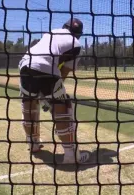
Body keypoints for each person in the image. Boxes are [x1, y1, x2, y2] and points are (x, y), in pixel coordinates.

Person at [18, 18, 90, 164]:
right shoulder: (76, 44)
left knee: (29, 105)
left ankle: (33, 144)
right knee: (62, 108)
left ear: (64, 26)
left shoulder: (52, 32)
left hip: (25, 64)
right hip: (47, 69)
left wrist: (45, 94)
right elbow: (64, 72)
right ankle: (71, 155)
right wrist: (51, 95)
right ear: (79, 34)